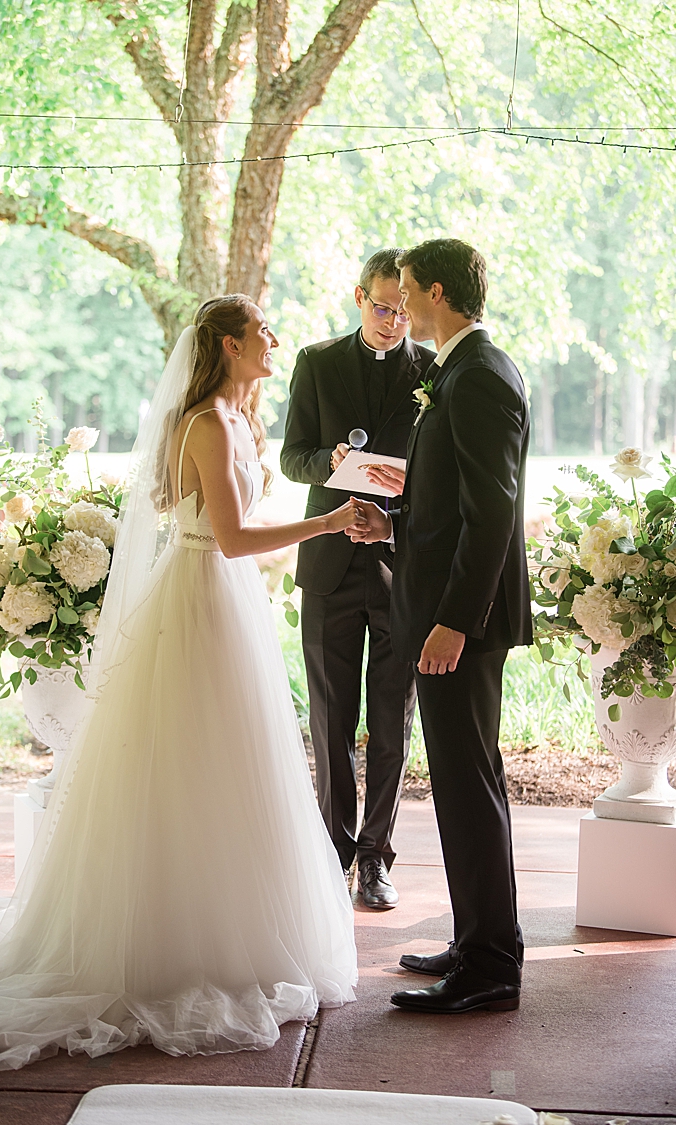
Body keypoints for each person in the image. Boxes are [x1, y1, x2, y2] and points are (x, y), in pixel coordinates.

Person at [0, 296, 363, 1070]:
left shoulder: (240, 418)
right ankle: (171, 949)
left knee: (233, 770)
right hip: (200, 599)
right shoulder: (203, 422)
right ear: (230, 344)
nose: (275, 340)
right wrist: (328, 523)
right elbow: (229, 539)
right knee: (190, 768)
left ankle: (234, 936)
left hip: (229, 606)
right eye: (263, 331)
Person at [349, 238, 531, 1014]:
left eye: (405, 293)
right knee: (462, 784)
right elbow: (452, 503)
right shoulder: (458, 370)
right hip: (444, 612)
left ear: (434, 291)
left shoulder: (478, 375)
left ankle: (491, 966)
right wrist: (389, 527)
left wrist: (455, 620)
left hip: (462, 624)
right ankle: (477, 938)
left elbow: (492, 512)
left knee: (468, 786)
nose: (400, 305)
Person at [280, 249, 436, 910]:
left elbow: (439, 472)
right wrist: (330, 459)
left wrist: (397, 515)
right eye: (381, 306)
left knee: (392, 721)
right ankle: (332, 852)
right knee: (330, 717)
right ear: (357, 296)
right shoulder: (316, 362)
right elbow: (292, 456)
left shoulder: (433, 370)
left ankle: (376, 857)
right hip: (329, 565)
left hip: (401, 568)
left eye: (403, 310)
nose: (394, 320)